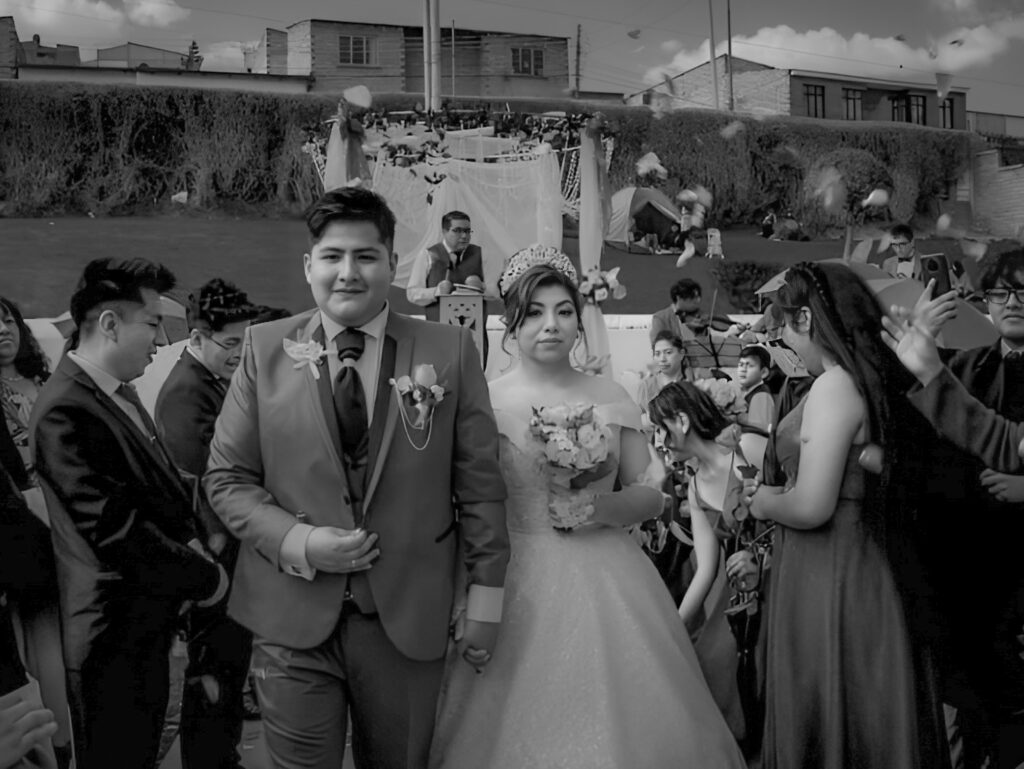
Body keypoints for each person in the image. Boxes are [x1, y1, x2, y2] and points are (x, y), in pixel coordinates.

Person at [204, 187, 510, 769]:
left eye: (365, 256)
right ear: (309, 265)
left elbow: (480, 489)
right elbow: (227, 478)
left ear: (392, 264)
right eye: (332, 256)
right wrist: (299, 541)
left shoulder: (450, 349)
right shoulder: (265, 349)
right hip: (290, 616)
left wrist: (486, 603)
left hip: (408, 617)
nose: (348, 272)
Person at [429, 250, 745, 769]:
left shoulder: (611, 395)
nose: (550, 325)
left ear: (579, 320)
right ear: (511, 322)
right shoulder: (484, 400)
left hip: (609, 572)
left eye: (563, 311)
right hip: (513, 574)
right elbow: (467, 503)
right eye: (534, 312)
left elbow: (652, 493)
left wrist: (599, 506)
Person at [743, 261, 950, 769]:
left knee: (838, 709)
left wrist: (762, 501)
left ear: (806, 319)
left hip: (833, 571)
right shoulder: (874, 380)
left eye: (786, 324)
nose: (784, 340)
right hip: (858, 564)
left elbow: (811, 506)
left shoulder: (835, 385)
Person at [30, 258, 229, 769]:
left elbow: (162, 481)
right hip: (111, 635)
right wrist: (206, 577)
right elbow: (115, 529)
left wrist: (208, 527)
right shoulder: (65, 411)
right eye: (153, 324)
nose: (161, 342)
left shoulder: (117, 392)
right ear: (110, 324)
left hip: (146, 624)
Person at [154, 278, 261, 769]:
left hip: (233, 552)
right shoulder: (185, 393)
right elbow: (207, 487)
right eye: (230, 343)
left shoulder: (212, 380)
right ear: (196, 337)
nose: (241, 353)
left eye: (246, 341)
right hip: (213, 555)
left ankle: (222, 754)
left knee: (230, 665)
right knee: (213, 669)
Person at [648, 382, 766, 753]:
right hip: (739, 592)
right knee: (710, 659)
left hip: (781, 574)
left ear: (682, 421)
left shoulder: (747, 449)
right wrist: (673, 631)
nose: (659, 441)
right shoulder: (696, 489)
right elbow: (705, 571)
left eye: (661, 429)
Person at [0, 297, 70, 767]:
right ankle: (52, 733)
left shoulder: (46, 379)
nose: (2, 330)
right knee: (39, 631)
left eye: (7, 321)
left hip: (67, 506)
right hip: (25, 516)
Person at [406, 210, 496, 321]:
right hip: (438, 328)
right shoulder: (427, 255)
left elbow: (497, 292)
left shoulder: (482, 254)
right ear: (444, 231)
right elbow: (412, 293)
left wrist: (482, 287)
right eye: (457, 231)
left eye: (467, 231)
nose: (464, 236)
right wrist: (436, 291)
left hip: (474, 328)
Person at [882, 223, 972, 294]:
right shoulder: (887, 263)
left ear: (912, 242)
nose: (898, 249)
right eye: (894, 245)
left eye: (902, 244)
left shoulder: (929, 262)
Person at [635, 331, 687, 409]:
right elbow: (639, 415)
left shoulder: (691, 383)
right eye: (657, 354)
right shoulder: (645, 387)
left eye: (668, 352)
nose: (662, 359)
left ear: (682, 354)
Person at [649, 278, 703, 345]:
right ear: (679, 298)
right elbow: (657, 344)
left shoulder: (700, 314)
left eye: (698, 297)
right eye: (692, 297)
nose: (697, 301)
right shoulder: (661, 318)